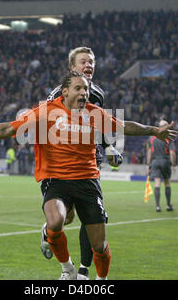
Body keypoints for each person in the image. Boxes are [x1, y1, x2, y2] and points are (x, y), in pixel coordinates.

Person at [0, 72, 178, 279]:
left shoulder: (94, 113)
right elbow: (9, 128)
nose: (84, 93)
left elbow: (124, 126)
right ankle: (68, 269)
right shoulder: (46, 111)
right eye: (78, 88)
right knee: (56, 221)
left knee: (99, 245)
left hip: (87, 181)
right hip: (56, 180)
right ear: (64, 92)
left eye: (86, 89)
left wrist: (154, 130)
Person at [43, 46, 123, 280]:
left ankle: (83, 271)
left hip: (88, 160)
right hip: (62, 162)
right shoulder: (58, 93)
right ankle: (52, 238)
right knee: (65, 217)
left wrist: (108, 147)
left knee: (90, 216)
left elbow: (101, 124)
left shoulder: (97, 93)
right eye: (83, 62)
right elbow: (47, 121)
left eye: (91, 62)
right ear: (72, 68)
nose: (88, 66)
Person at [146, 120, 176, 212]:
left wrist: (148, 165)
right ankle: (168, 205)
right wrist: (174, 164)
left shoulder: (151, 138)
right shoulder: (168, 137)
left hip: (155, 162)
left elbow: (149, 152)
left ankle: (158, 206)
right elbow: (172, 153)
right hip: (165, 161)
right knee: (167, 182)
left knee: (157, 183)